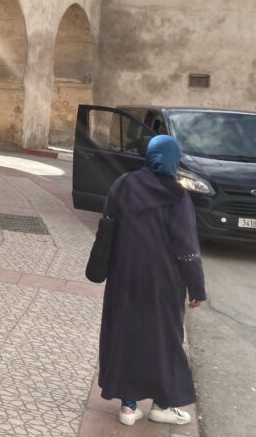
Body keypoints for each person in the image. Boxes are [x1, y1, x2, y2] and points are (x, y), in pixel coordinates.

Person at [98, 134, 206, 427]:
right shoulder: (177, 196)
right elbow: (187, 249)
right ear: (173, 159)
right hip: (163, 285)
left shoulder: (123, 185)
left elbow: (107, 229)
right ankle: (163, 405)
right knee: (165, 340)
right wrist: (197, 289)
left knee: (125, 335)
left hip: (123, 278)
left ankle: (128, 407)